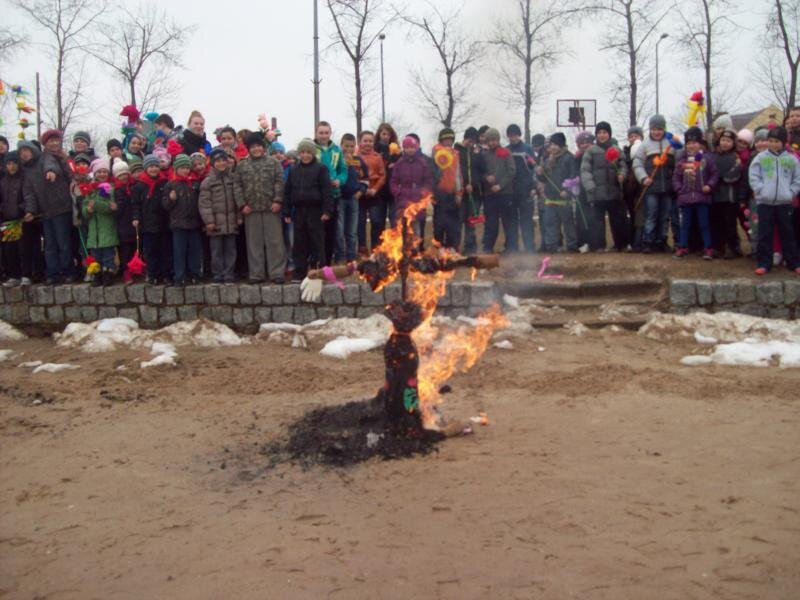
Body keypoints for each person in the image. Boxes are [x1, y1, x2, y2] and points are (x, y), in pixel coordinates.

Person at [23, 130, 75, 284]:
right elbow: (29, 193)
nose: (24, 154)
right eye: (22, 152)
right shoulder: (27, 171)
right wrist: (30, 211)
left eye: (26, 151)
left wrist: (50, 171)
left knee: (63, 242)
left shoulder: (47, 157)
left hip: (61, 206)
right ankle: (52, 273)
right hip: (45, 211)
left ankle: (68, 270)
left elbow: (51, 165)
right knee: (49, 244)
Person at [233, 132, 286, 284]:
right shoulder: (242, 165)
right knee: (254, 243)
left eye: (258, 146)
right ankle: (256, 274)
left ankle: (276, 273)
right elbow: (237, 186)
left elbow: (280, 182)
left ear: (263, 147)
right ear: (248, 148)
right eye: (252, 147)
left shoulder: (274, 163)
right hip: (251, 209)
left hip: (271, 208)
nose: (256, 149)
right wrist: (242, 204)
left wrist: (278, 200)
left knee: (275, 242)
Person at [748, 126, 800, 275]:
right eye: (770, 140)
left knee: (787, 233)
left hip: (784, 203)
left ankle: (793, 263)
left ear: (784, 142)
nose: (773, 144)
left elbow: (797, 178)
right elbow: (754, 176)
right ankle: (764, 263)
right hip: (765, 203)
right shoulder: (761, 158)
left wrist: (791, 193)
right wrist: (760, 190)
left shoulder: (791, 159)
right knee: (765, 233)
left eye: (776, 141)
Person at [283, 139, 333, 280]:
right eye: (303, 152)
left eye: (308, 153)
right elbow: (287, 192)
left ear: (313, 153)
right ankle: (300, 273)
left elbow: (326, 191)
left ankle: (318, 272)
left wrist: (327, 210)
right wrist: (286, 211)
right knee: (299, 244)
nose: (305, 155)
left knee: (317, 243)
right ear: (299, 154)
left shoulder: (321, 169)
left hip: (316, 211)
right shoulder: (294, 170)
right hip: (299, 211)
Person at [580, 121, 629, 251]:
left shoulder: (616, 150)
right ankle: (598, 245)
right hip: (597, 193)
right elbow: (585, 170)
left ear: (609, 134)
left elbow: (623, 165)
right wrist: (590, 186)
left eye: (605, 132)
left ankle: (621, 245)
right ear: (596, 135)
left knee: (618, 220)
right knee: (597, 222)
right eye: (599, 133)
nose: (602, 135)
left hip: (614, 192)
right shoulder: (591, 150)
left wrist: (622, 175)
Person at [633, 114, 679, 253]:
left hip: (668, 188)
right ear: (650, 129)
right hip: (651, 188)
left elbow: (678, 163)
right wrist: (643, 178)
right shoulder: (645, 145)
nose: (656, 132)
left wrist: (675, 178)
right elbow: (637, 163)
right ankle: (648, 241)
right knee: (651, 215)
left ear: (664, 129)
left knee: (665, 216)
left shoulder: (671, 143)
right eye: (654, 129)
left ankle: (661, 241)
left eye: (659, 129)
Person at [672, 127, 719, 260]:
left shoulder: (706, 159)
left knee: (704, 224)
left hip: (702, 197)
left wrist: (709, 185)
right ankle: (682, 247)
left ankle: (708, 248)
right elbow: (676, 177)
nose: (692, 146)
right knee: (685, 225)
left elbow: (715, 174)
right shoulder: (682, 161)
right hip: (686, 198)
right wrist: (679, 189)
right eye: (689, 143)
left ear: (700, 143)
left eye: (694, 143)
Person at [199, 148, 239, 284]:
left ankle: (229, 274)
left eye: (223, 160)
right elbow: (204, 203)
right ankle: (217, 274)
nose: (221, 163)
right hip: (215, 223)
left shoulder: (233, 178)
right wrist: (209, 221)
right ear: (212, 163)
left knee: (230, 250)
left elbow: (238, 199)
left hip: (231, 221)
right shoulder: (208, 181)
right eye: (218, 161)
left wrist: (239, 216)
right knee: (216, 250)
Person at [162, 154, 202, 285]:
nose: (185, 170)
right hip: (178, 225)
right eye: (182, 168)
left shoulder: (194, 183)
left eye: (187, 168)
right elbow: (165, 205)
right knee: (179, 252)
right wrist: (171, 199)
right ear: (176, 169)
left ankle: (195, 274)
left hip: (193, 223)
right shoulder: (171, 185)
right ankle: (180, 276)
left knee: (194, 251)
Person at [132, 154, 171, 284]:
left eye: (156, 166)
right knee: (151, 251)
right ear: (146, 168)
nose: (154, 169)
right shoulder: (139, 186)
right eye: (151, 166)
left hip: (163, 222)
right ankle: (153, 274)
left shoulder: (165, 183)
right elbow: (136, 204)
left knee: (165, 250)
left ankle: (166, 274)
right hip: (148, 224)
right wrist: (136, 217)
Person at [537, 132, 578, 252]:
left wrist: (567, 191)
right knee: (550, 223)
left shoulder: (569, 158)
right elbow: (543, 178)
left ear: (561, 145)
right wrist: (539, 173)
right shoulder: (547, 160)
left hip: (564, 198)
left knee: (568, 223)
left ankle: (572, 246)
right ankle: (551, 247)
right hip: (550, 198)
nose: (553, 147)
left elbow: (574, 177)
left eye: (556, 144)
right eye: (551, 145)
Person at [81, 159, 118, 286]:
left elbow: (110, 207)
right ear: (95, 174)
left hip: (107, 229)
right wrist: (88, 210)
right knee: (95, 256)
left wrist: (95, 205)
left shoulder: (110, 189)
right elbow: (85, 208)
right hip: (94, 231)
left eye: (104, 172)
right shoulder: (90, 190)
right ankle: (97, 275)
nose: (102, 174)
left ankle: (108, 274)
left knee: (108, 255)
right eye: (99, 172)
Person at [314, 121, 348, 261]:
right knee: (316, 232)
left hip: (334, 195)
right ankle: (316, 261)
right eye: (321, 133)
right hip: (316, 197)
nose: (324, 135)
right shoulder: (312, 149)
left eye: (326, 133)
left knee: (331, 231)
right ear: (316, 133)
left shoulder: (336, 150)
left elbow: (343, 170)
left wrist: (339, 180)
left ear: (330, 133)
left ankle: (327, 262)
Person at [389, 136, 433, 241]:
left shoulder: (422, 163)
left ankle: (416, 248)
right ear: (404, 148)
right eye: (407, 147)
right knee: (403, 227)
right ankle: (404, 248)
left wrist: (423, 193)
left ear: (416, 148)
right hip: (403, 200)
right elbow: (393, 181)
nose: (410, 150)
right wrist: (398, 192)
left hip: (417, 201)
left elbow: (428, 180)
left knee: (416, 228)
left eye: (412, 147)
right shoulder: (399, 164)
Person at [710, 129, 745, 259]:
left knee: (730, 223)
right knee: (716, 222)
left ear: (733, 143)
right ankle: (718, 247)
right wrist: (713, 180)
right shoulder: (713, 156)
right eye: (723, 140)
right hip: (715, 195)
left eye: (728, 141)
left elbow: (736, 172)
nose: (725, 143)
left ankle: (732, 247)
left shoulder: (735, 157)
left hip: (729, 196)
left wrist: (721, 177)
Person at [481, 128, 517, 253]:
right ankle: (487, 247)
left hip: (505, 194)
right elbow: (481, 171)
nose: (492, 143)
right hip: (490, 194)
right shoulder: (484, 155)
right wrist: (486, 177)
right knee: (491, 223)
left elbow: (511, 171)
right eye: (489, 141)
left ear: (498, 140)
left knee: (508, 222)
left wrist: (500, 186)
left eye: (494, 140)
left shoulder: (506, 152)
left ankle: (511, 248)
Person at [455, 127, 486, 256]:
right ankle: (455, 247)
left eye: (473, 141)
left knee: (471, 222)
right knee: (458, 221)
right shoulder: (456, 152)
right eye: (469, 140)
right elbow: (456, 172)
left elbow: (481, 171)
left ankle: (470, 248)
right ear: (465, 138)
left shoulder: (477, 153)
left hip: (474, 193)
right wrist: (463, 185)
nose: (471, 143)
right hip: (460, 194)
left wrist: (473, 184)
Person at [431, 128, 463, 251]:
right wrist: (432, 193)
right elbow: (432, 173)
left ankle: (452, 248)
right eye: (445, 139)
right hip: (439, 194)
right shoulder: (437, 151)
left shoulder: (456, 154)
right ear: (441, 140)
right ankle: (439, 248)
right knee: (439, 224)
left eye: (450, 139)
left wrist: (459, 193)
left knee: (453, 224)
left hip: (452, 194)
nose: (448, 141)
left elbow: (458, 175)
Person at [371, 123, 401, 254]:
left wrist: (396, 165)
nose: (386, 136)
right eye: (383, 134)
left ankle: (394, 250)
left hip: (393, 191)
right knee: (378, 222)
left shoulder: (397, 150)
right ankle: (377, 249)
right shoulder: (374, 149)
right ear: (379, 135)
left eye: (388, 134)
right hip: (379, 191)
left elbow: (402, 167)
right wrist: (385, 166)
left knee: (395, 221)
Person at [506, 124, 536, 252]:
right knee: (511, 221)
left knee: (526, 221)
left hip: (525, 190)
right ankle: (512, 247)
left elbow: (534, 169)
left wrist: (533, 187)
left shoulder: (527, 149)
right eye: (510, 136)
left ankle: (529, 247)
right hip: (510, 191)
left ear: (519, 135)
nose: (513, 138)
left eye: (515, 135)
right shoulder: (506, 150)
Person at [339, 133, 368, 262]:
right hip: (340, 198)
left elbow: (366, 178)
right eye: (346, 146)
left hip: (353, 198)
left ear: (355, 146)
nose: (349, 149)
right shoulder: (338, 159)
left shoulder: (359, 161)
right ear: (341, 145)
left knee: (352, 230)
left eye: (351, 146)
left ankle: (351, 257)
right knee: (339, 230)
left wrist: (361, 191)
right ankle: (340, 256)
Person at [357, 130, 387, 252]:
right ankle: (362, 248)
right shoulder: (355, 156)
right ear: (360, 142)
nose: (368, 143)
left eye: (370, 141)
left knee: (376, 221)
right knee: (360, 222)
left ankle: (375, 247)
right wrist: (360, 188)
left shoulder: (377, 157)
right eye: (365, 141)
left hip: (374, 193)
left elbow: (382, 175)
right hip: (360, 193)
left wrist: (375, 189)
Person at [0, 152, 27, 285]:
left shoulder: (24, 178)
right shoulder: (3, 182)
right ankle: (13, 275)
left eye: (14, 163)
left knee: (23, 248)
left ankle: (26, 274)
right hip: (7, 220)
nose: (11, 166)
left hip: (22, 219)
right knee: (9, 250)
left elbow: (29, 196)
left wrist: (21, 209)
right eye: (9, 164)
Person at [111, 160, 137, 284]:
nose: (124, 177)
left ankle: (134, 268)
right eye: (120, 175)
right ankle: (126, 271)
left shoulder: (133, 187)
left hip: (133, 222)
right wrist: (116, 208)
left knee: (134, 248)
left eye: (125, 174)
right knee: (124, 250)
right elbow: (117, 211)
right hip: (122, 224)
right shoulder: (116, 190)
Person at [573, 131, 595, 252]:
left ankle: (594, 242)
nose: (585, 145)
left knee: (593, 217)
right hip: (580, 193)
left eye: (588, 142)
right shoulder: (576, 158)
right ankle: (582, 242)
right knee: (581, 217)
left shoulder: (595, 156)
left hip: (593, 191)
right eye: (582, 143)